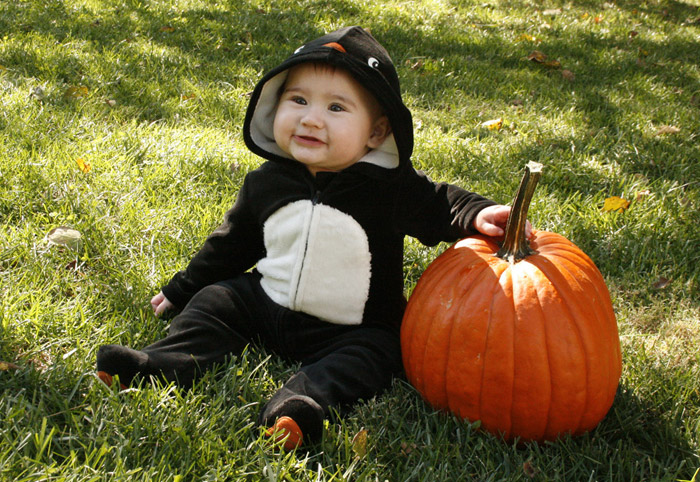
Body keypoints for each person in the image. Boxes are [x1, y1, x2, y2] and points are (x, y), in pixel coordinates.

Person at [96, 26, 528, 450]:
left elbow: (440, 203)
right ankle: (157, 363)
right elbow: (231, 244)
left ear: (376, 133)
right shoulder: (267, 181)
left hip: (352, 328)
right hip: (265, 304)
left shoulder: (389, 189)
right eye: (298, 100)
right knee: (216, 301)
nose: (310, 118)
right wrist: (183, 289)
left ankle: (303, 404)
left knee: (374, 355)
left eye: (337, 108)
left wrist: (477, 212)